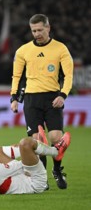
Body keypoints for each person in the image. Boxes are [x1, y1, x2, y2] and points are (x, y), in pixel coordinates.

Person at [10, 14, 74, 189]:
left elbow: (68, 76)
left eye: (39, 30)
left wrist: (63, 95)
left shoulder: (60, 49)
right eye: (33, 30)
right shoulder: (23, 50)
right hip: (31, 99)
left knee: (55, 137)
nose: (36, 33)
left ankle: (57, 170)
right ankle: (42, 179)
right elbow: (17, 76)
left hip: (52, 97)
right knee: (37, 141)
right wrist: (14, 98)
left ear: (48, 28)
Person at [0, 127, 71, 195]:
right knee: (25, 143)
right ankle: (55, 151)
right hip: (35, 183)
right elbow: (24, 165)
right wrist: (29, 149)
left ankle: (38, 145)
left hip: (20, 177)